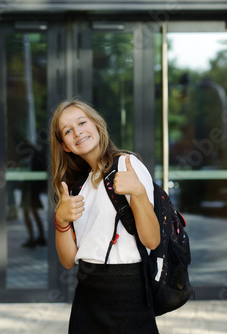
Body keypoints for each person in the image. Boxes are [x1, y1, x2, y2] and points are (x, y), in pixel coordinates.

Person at [50, 99, 160, 334]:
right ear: (65, 146)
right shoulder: (78, 186)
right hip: (87, 292)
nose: (77, 132)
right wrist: (60, 221)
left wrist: (138, 192)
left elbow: (152, 240)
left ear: (97, 125)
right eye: (68, 131)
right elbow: (69, 260)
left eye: (82, 122)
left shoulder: (128, 165)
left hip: (127, 290)